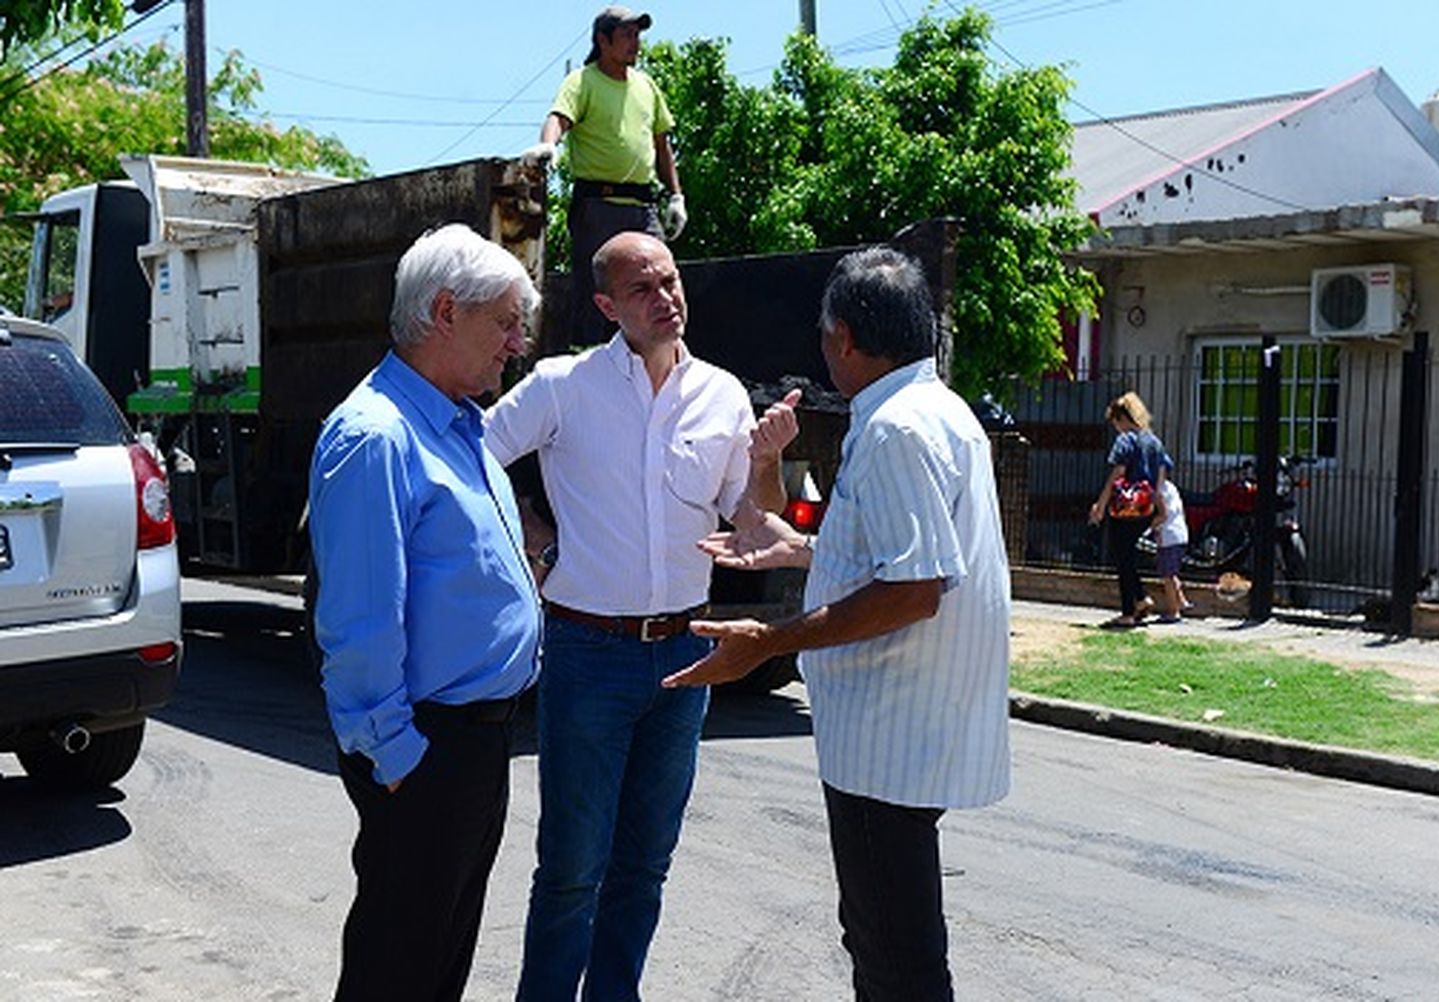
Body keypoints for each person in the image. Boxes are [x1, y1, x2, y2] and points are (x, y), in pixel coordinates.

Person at [663, 246, 1011, 1002]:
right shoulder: (938, 413)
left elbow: (913, 588)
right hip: (913, 728)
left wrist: (770, 640)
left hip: (886, 738)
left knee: (895, 957)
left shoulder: (894, 430)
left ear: (845, 338)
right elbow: (903, 556)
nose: (823, 353)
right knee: (895, 942)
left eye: (825, 337)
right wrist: (803, 548)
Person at [483, 230, 799, 1001]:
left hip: (687, 656)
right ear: (605, 306)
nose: (666, 299)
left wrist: (765, 459)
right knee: (570, 869)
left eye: (670, 281)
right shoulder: (565, 386)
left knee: (645, 865)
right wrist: (535, 535)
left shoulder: (722, 394)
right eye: (643, 289)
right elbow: (473, 453)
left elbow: (755, 521)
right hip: (588, 651)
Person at [309, 223, 542, 1002]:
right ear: (445, 311)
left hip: (474, 744)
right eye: (505, 322)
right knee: (396, 970)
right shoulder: (376, 435)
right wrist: (398, 758)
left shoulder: (458, 422)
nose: (517, 343)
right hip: (425, 752)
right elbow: (358, 621)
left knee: (438, 966)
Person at [521, 5, 686, 345]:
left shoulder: (646, 86)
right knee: (596, 294)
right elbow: (558, 118)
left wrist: (676, 196)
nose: (635, 43)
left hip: (643, 209)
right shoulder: (583, 81)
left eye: (638, 36)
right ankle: (590, 370)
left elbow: (661, 144)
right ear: (603, 40)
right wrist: (548, 146)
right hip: (598, 207)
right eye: (627, 35)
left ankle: (656, 367)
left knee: (659, 283)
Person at [1088, 391, 1170, 628]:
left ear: (1121, 418)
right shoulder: (1154, 442)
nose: (1115, 427)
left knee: (1121, 556)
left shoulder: (1125, 440)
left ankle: (1128, 610)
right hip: (1145, 507)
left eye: (1115, 422)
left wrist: (1100, 504)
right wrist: (1160, 509)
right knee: (1127, 555)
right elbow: (1161, 478)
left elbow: (1118, 474)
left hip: (1124, 507)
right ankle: (1141, 598)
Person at [1153, 473, 1189, 622]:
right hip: (1180, 533)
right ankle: (1181, 601)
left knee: (1167, 576)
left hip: (1169, 536)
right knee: (1172, 572)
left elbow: (1163, 516)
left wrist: (1149, 527)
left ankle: (1173, 611)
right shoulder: (1171, 487)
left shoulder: (1158, 490)